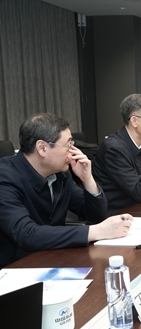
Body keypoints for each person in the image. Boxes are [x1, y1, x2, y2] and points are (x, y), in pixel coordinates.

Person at [0, 114, 132, 267]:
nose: (72, 151)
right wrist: (96, 232)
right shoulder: (5, 177)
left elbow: (96, 215)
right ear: (42, 148)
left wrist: (88, 180)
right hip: (16, 267)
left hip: (54, 257)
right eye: (68, 145)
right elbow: (26, 234)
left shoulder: (60, 174)